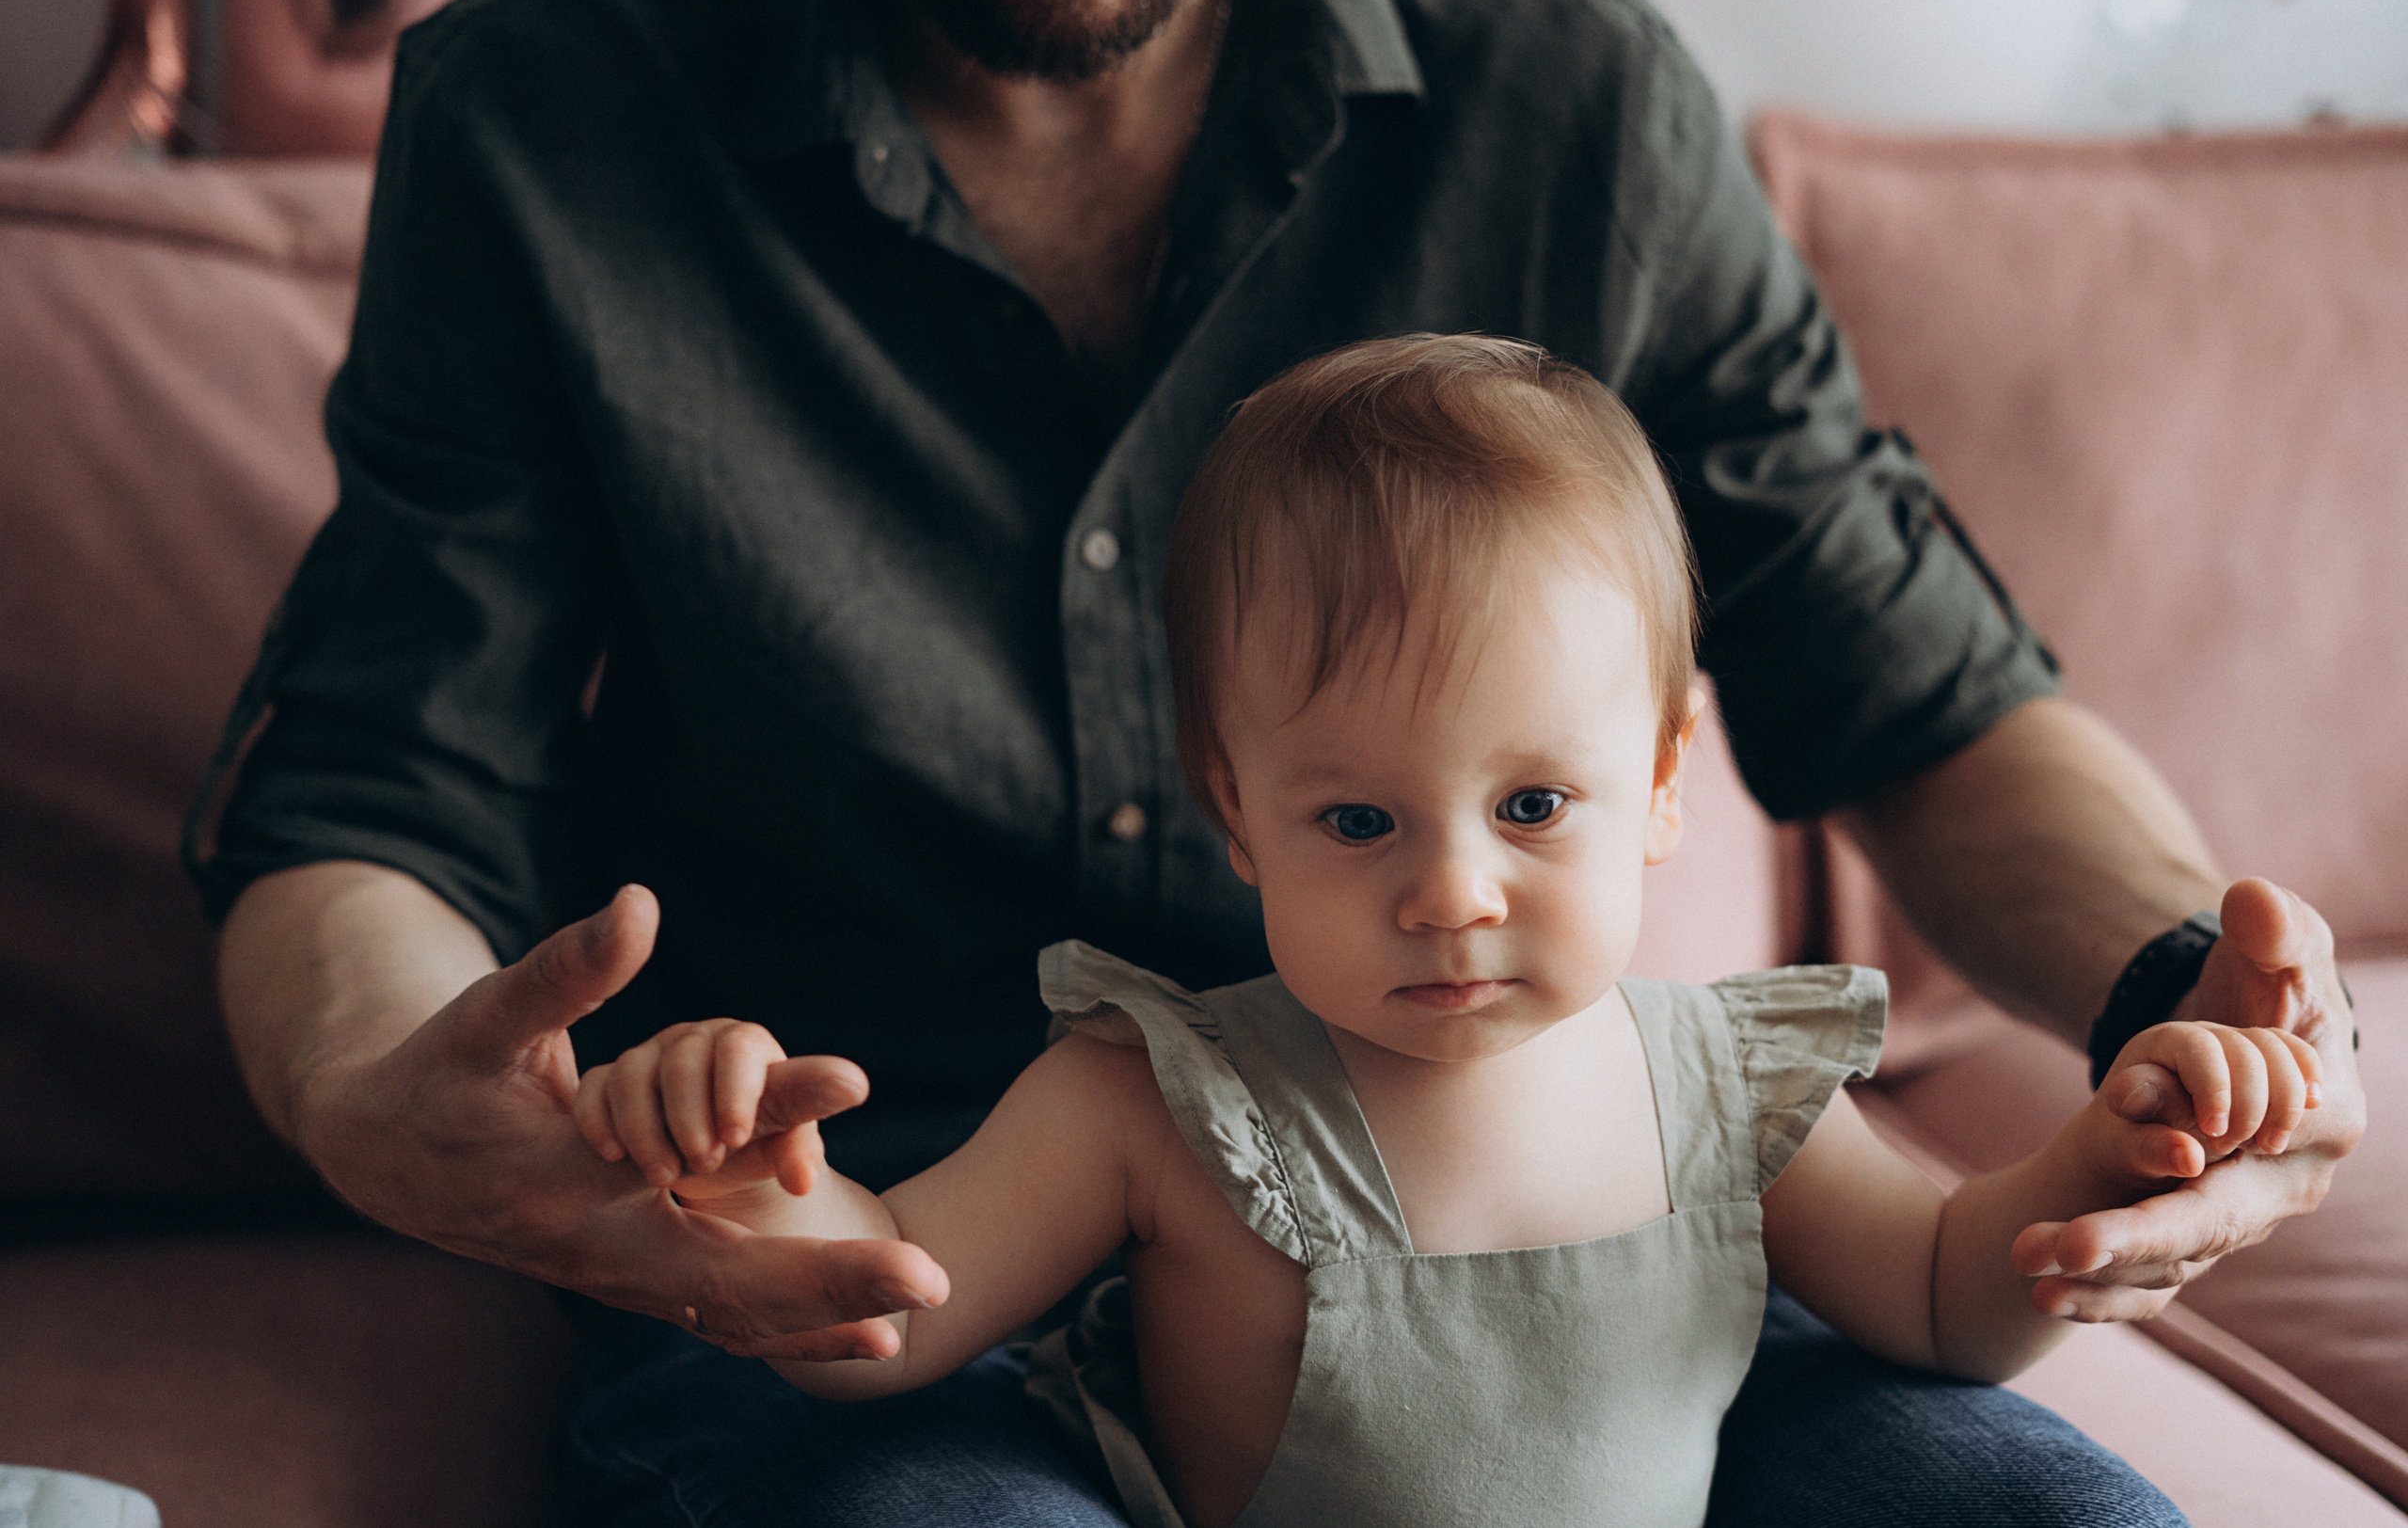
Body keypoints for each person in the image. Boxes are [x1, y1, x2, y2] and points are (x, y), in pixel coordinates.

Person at [186, 0, 2364, 1520]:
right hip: (904, 1237)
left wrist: (2198, 1007)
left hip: (1557, 1266)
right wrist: (399, 1099)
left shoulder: (1570, 100)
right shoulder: (548, 109)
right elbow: (377, 779)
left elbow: (1920, 680)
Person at [565, 337, 2322, 1528]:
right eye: (1357, 821)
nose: (1453, 891)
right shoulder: (1153, 1101)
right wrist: (768, 1194)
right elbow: (902, 1312)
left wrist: (2106, 1160)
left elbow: (1944, 1294)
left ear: (1656, 785)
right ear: (1236, 810)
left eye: (1534, 808)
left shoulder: (1721, 1082)